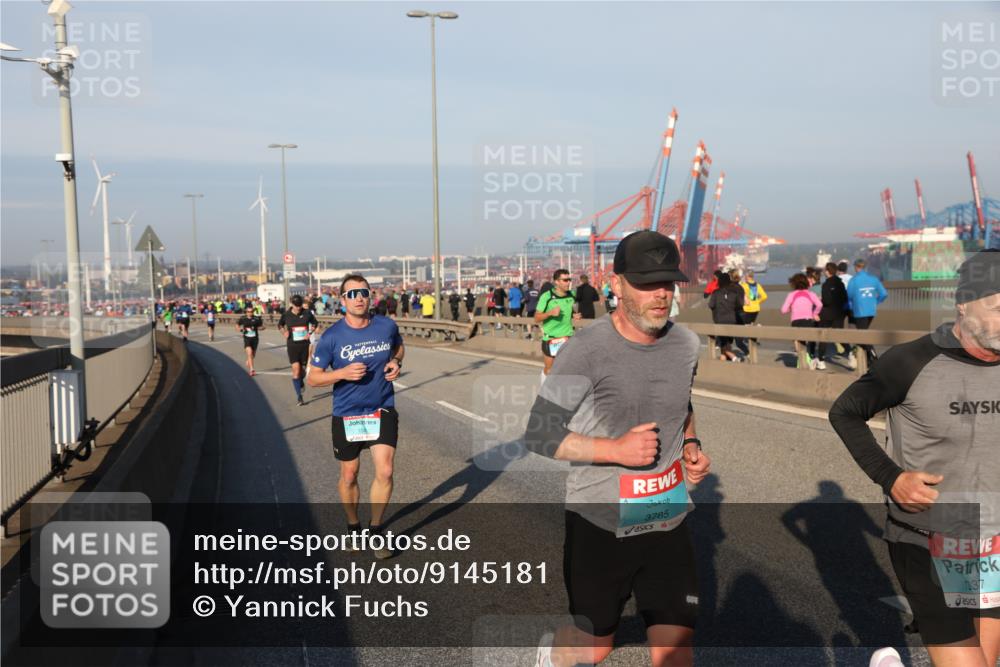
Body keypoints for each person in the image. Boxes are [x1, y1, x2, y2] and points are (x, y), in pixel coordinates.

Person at [526, 231, 709, 667]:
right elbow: (539, 433)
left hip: (667, 517)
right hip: (600, 524)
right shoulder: (585, 350)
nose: (661, 294)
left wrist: (691, 444)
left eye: (668, 283)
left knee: (676, 649)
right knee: (596, 646)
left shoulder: (686, 345)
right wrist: (617, 450)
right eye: (647, 283)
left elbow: (682, 404)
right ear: (617, 283)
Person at [829, 249, 1000, 667]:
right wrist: (891, 477)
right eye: (998, 305)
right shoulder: (910, 362)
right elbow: (845, 412)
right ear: (963, 303)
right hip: (928, 538)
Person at [307, 274, 404, 560]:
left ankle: (376, 532)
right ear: (342, 300)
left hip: (381, 407)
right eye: (352, 294)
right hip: (347, 413)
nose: (359, 298)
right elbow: (313, 378)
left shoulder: (386, 326)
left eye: (363, 292)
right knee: (349, 475)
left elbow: (398, 346)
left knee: (385, 470)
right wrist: (341, 374)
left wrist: (397, 361)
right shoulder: (332, 337)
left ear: (370, 295)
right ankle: (353, 527)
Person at [534, 269, 580, 376]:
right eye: (565, 280)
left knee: (568, 369)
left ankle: (564, 391)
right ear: (556, 282)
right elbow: (536, 318)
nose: (568, 282)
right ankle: (545, 390)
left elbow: (569, 309)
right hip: (552, 338)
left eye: (569, 279)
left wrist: (574, 314)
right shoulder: (547, 296)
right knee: (550, 370)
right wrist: (549, 313)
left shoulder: (571, 295)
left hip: (567, 337)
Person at [846, 258, 888, 368]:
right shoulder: (873, 279)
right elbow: (884, 294)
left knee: (863, 336)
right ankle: (868, 360)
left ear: (856, 267)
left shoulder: (854, 280)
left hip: (859, 311)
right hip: (871, 311)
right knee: (864, 333)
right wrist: (876, 301)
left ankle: (874, 359)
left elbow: (849, 296)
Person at [278, 294, 319, 406]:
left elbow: (315, 323)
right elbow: (280, 325)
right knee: (296, 370)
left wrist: (310, 333)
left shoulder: (307, 313)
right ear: (292, 304)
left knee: (303, 371)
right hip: (292, 345)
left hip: (304, 345)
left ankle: (300, 382)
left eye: (299, 305)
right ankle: (299, 397)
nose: (298, 307)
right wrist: (284, 332)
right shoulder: (286, 315)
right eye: (296, 305)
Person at [780, 273, 823, 370]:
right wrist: (814, 313)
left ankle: (805, 361)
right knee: (805, 343)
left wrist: (791, 308)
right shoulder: (811, 294)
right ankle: (806, 361)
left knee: (798, 344)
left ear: (794, 283)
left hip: (796, 321)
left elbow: (783, 310)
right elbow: (819, 305)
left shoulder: (791, 295)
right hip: (808, 320)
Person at [818, 262, 852, 369]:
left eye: (824, 271)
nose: (824, 272)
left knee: (823, 336)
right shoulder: (840, 283)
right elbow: (845, 298)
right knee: (839, 335)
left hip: (827, 314)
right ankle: (851, 352)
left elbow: (827, 301)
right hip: (839, 313)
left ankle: (821, 360)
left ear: (827, 272)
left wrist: (821, 299)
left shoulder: (826, 284)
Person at [707, 273, 744, 362]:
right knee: (727, 342)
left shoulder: (716, 293)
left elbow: (711, 305)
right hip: (732, 319)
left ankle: (734, 358)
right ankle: (723, 361)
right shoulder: (734, 292)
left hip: (719, 320)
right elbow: (740, 305)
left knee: (723, 342)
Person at [236, 305, 264, 376]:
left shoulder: (257, 318)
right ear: (246, 312)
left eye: (251, 312)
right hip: (247, 338)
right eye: (248, 312)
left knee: (253, 355)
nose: (249, 313)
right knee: (249, 352)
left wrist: (260, 328)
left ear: (253, 312)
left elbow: (262, 326)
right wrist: (240, 329)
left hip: (255, 339)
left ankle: (249, 360)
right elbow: (237, 325)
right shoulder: (243, 318)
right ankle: (252, 369)